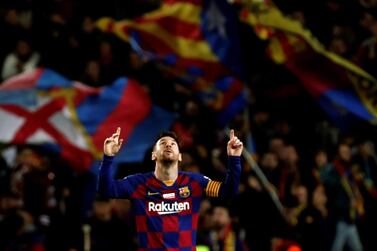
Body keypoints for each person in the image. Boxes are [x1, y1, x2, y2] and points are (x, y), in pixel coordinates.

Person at [97, 127, 243, 250]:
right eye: (163, 143)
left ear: (180, 156)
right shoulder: (138, 184)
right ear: (154, 155)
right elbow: (106, 189)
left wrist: (234, 159)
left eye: (173, 143)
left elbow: (228, 191)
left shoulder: (194, 182)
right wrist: (108, 157)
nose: (168, 145)